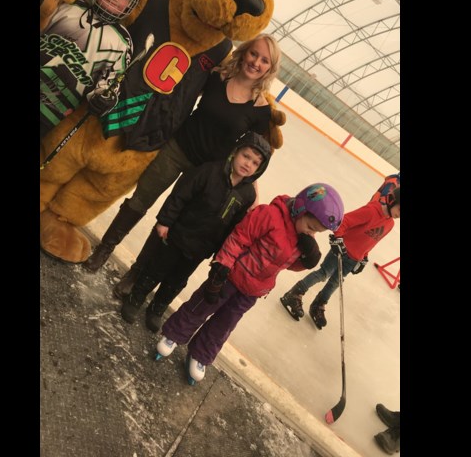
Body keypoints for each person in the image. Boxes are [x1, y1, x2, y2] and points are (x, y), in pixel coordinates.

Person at [83, 33, 282, 274]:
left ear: (270, 69)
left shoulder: (261, 110)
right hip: (177, 148)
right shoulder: (217, 78)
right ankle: (105, 248)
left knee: (171, 222)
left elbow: (253, 152)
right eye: (254, 54)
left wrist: (254, 191)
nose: (256, 63)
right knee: (140, 200)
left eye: (264, 61)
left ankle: (136, 274)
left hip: (206, 170)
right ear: (245, 52)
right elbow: (181, 97)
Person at [153, 183, 344, 385]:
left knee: (224, 324)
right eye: (311, 227)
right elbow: (239, 238)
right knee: (200, 306)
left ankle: (200, 355)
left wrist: (306, 261)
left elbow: (286, 265)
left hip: (252, 291)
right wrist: (221, 267)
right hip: (229, 277)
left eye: (316, 232)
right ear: (300, 208)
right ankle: (174, 335)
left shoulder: (301, 239)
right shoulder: (269, 215)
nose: (311, 234)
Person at [120, 131, 271, 332]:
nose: (248, 164)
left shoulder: (247, 194)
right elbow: (180, 196)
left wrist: (220, 254)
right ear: (235, 152)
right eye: (246, 156)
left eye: (255, 163)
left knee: (177, 279)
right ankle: (136, 297)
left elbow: (234, 228)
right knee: (157, 268)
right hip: (177, 235)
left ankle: (157, 308)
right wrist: (165, 221)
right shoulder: (209, 171)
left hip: (201, 247)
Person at [280, 174, 400, 329]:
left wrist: (364, 258)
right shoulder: (371, 211)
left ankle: (319, 304)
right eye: (400, 209)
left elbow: (372, 242)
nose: (399, 215)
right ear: (391, 200)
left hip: (354, 258)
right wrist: (337, 239)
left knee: (336, 281)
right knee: (324, 273)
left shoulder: (389, 224)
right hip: (341, 250)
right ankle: (294, 293)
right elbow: (344, 222)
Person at [40, 0, 142, 141]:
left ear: (130, 5)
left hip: (49, 112)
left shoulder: (122, 43)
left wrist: (104, 100)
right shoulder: (67, 6)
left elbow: (107, 88)